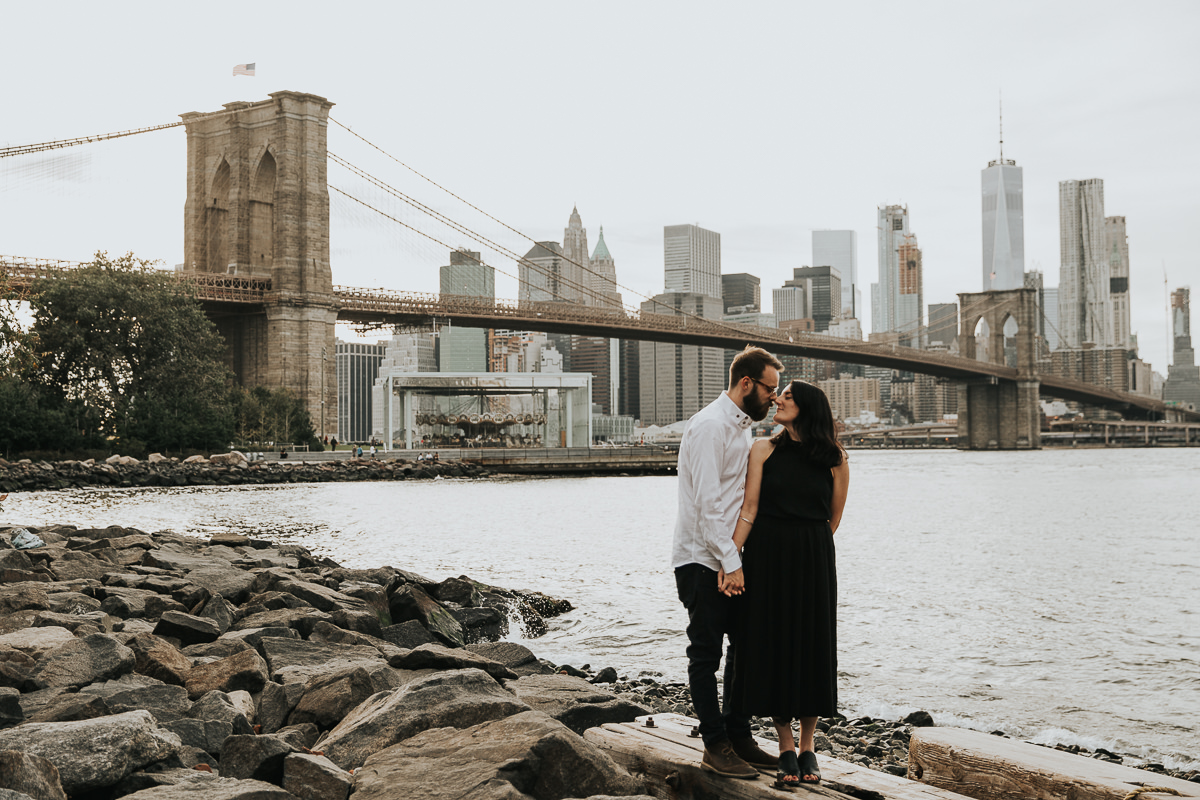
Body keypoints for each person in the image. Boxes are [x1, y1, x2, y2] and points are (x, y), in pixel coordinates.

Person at [726, 381, 850, 786]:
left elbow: (833, 519)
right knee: (774, 643)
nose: (777, 399)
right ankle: (784, 744)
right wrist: (730, 561)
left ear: (808, 407)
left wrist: (805, 544)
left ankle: (809, 746)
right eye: (779, 394)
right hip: (766, 555)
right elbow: (749, 508)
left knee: (812, 643)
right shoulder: (763, 448)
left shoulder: (835, 458)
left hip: (813, 556)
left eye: (788, 396)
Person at [672, 345, 784, 779]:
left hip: (725, 556)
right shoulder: (710, 426)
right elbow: (707, 504)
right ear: (746, 384)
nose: (774, 398)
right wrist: (729, 562)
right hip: (701, 559)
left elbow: (741, 500)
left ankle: (738, 737)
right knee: (705, 654)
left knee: (743, 647)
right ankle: (714, 746)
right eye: (770, 389)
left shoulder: (743, 431)